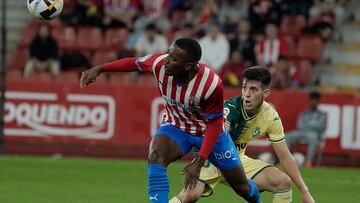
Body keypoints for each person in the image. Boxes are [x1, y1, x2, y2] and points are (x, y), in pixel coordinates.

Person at [80, 38, 261, 203]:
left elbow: (215, 124)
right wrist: (100, 69)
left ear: (189, 66)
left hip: (208, 133)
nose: (166, 60)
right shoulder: (160, 64)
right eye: (168, 53)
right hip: (176, 126)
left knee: (242, 187)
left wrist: (198, 163)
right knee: (156, 155)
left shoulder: (211, 84)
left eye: (173, 59)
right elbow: (133, 63)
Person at [171, 66, 315, 203]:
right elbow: (219, 132)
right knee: (190, 195)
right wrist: (214, 156)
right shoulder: (231, 107)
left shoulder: (270, 117)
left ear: (266, 93)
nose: (247, 94)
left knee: (283, 182)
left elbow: (285, 157)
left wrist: (304, 191)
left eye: (253, 89)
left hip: (237, 160)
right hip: (211, 157)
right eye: (244, 88)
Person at [286, 91, 326, 168]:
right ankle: (286, 160)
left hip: (314, 135)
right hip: (302, 132)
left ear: (318, 102)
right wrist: (312, 124)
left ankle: (308, 162)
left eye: (315, 100)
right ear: (310, 101)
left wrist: (308, 125)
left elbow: (321, 127)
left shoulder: (321, 115)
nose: (313, 102)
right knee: (286, 136)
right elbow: (299, 125)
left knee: (313, 137)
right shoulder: (304, 113)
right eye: (312, 100)